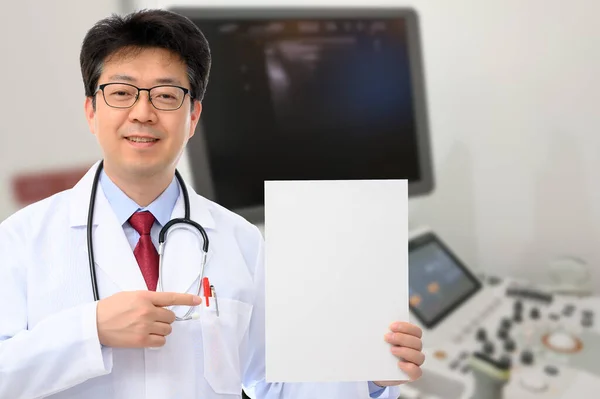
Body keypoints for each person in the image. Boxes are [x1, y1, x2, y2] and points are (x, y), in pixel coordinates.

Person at [0, 9, 425, 399]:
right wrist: (90, 331)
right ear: (92, 111)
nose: (143, 112)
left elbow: (278, 382)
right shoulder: (21, 240)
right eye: (122, 92)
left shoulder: (241, 241)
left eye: (166, 95)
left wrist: (367, 376)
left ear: (193, 117)